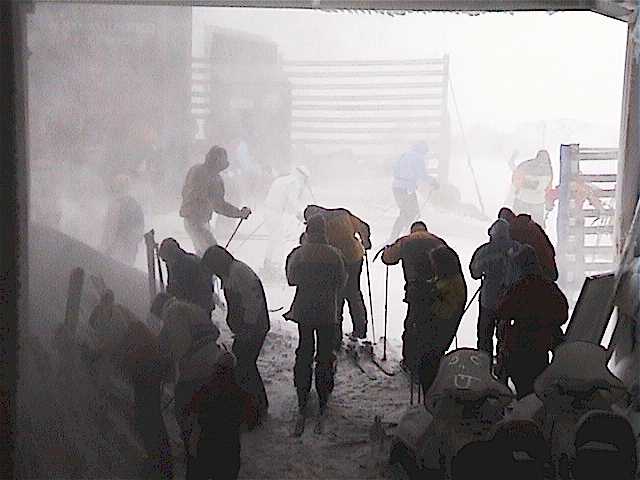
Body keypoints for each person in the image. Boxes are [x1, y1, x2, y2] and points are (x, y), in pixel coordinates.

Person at [87, 290, 173, 479]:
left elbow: (113, 343)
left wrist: (95, 354)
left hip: (145, 367)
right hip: (147, 366)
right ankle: (160, 461)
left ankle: (161, 465)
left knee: (148, 418)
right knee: (149, 417)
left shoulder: (115, 320)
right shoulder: (122, 316)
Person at [284, 216, 347, 423]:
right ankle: (323, 391)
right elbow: (341, 281)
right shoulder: (335, 254)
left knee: (304, 349)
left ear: (308, 232)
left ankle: (302, 391)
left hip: (304, 310)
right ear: (324, 231)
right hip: (328, 310)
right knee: (324, 352)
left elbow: (291, 279)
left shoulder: (299, 254)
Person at [201, 245, 271, 428]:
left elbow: (252, 301)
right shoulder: (231, 272)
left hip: (253, 327)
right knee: (245, 366)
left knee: (244, 367)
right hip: (247, 328)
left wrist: (248, 326)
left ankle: (255, 410)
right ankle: (257, 405)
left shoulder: (239, 273)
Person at [496, 245, 569, 399]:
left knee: (524, 391)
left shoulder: (520, 288)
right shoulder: (549, 287)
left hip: (519, 346)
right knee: (537, 389)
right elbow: (562, 314)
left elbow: (502, 310)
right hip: (541, 346)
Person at [381, 220, 447, 374]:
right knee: (433, 326)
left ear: (412, 230)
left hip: (416, 290)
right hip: (437, 290)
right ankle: (432, 362)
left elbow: (388, 259)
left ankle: (410, 362)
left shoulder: (406, 241)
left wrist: (387, 250)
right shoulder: (438, 241)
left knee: (413, 326)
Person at [303, 204, 371, 345]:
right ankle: (360, 330)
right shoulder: (343, 213)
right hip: (355, 257)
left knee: (336, 295)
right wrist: (366, 241)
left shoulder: (319, 224)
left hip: (335, 260)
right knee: (353, 292)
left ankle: (336, 336)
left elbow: (310, 243)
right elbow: (363, 226)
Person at [179, 145, 251, 256]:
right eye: (223, 159)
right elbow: (219, 205)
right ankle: (208, 273)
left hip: (190, 220)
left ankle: (200, 272)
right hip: (198, 222)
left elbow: (185, 191)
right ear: (217, 161)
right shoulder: (213, 179)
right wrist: (239, 213)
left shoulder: (195, 169)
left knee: (203, 254)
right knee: (213, 255)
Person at [469, 219, 522, 356]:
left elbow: (475, 272)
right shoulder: (517, 248)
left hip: (490, 300)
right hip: (509, 300)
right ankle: (501, 367)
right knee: (503, 337)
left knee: (486, 337)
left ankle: (485, 366)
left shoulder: (485, 251)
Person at [420, 245, 467, 394]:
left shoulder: (454, 284)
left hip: (442, 329)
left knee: (430, 362)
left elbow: (447, 312)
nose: (432, 266)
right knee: (427, 360)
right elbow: (437, 285)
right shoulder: (445, 276)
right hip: (435, 326)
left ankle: (433, 394)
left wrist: (428, 301)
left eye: (434, 263)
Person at [261, 166, 313, 279]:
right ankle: (275, 267)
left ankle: (268, 264)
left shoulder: (283, 180)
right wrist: (302, 216)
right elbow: (292, 202)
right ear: (303, 176)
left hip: (270, 211)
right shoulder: (294, 183)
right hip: (274, 213)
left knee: (274, 239)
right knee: (279, 240)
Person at [389, 142, 439, 243]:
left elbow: (394, 169)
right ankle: (407, 237)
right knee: (412, 213)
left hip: (397, 187)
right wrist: (433, 182)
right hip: (407, 189)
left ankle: (398, 236)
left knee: (405, 212)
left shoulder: (404, 155)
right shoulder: (418, 158)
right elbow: (422, 175)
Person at [158, 238, 215, 317]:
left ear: (171, 255)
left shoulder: (185, 266)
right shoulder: (181, 262)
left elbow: (184, 291)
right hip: (200, 305)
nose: (166, 263)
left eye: (165, 259)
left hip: (198, 308)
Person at [499, 208, 559, 281]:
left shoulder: (513, 232)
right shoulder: (532, 225)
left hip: (537, 274)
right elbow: (549, 246)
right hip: (549, 267)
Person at [100, 174, 145, 266]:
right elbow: (108, 228)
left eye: (118, 186)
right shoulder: (115, 204)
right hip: (114, 250)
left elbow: (135, 231)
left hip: (121, 251)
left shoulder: (129, 206)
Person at [507, 150, 553, 226]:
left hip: (522, 199)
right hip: (538, 202)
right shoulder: (549, 170)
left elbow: (517, 179)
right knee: (538, 226)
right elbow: (548, 188)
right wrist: (548, 201)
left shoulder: (526, 165)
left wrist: (518, 189)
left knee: (516, 223)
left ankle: (516, 235)